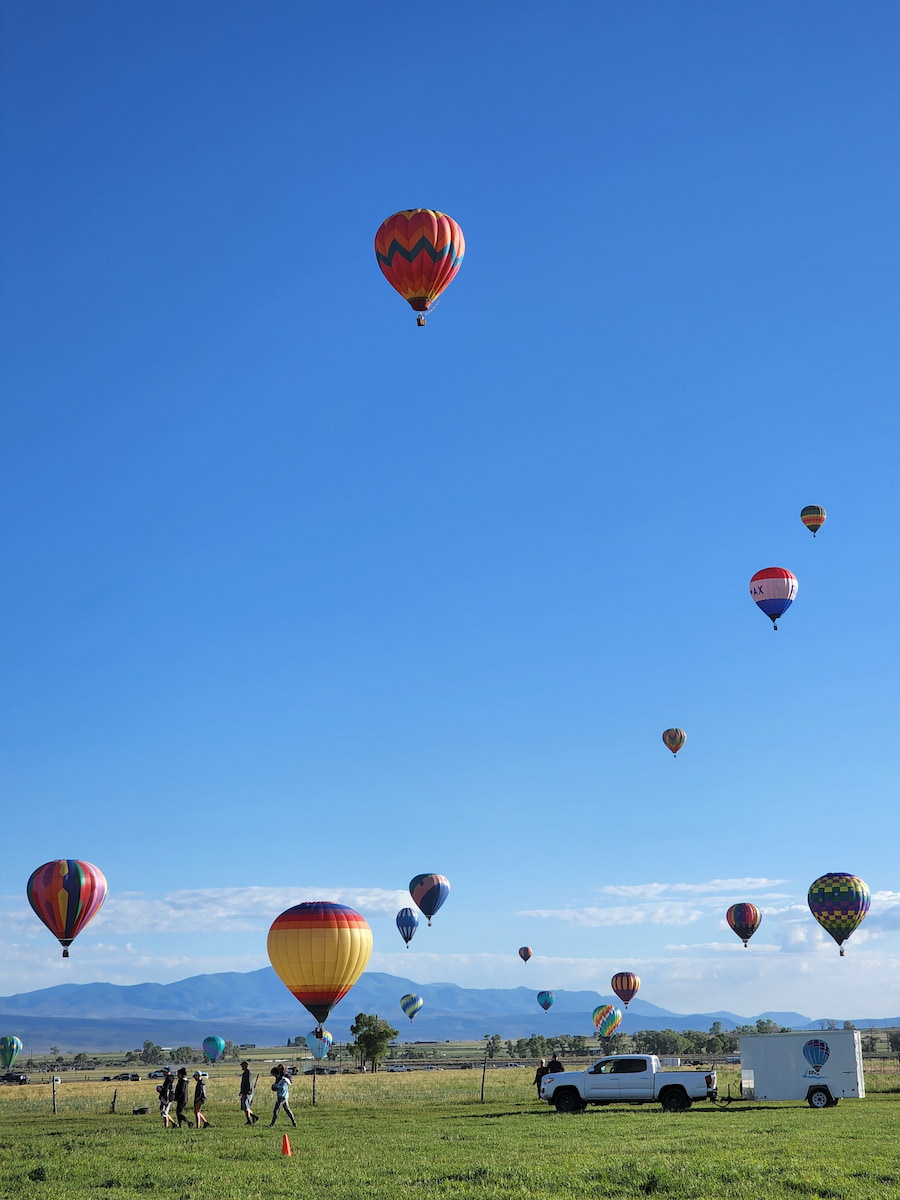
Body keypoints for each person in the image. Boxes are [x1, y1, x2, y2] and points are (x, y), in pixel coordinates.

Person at [239, 1060, 258, 1125]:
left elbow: (249, 1083)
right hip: (245, 1092)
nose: (241, 1066)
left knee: (246, 1107)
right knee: (245, 1107)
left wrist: (248, 1093)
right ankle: (252, 1118)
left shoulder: (249, 1073)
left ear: (246, 1065)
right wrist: (241, 1091)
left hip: (248, 1093)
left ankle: (250, 1120)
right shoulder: (245, 1073)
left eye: (242, 1065)